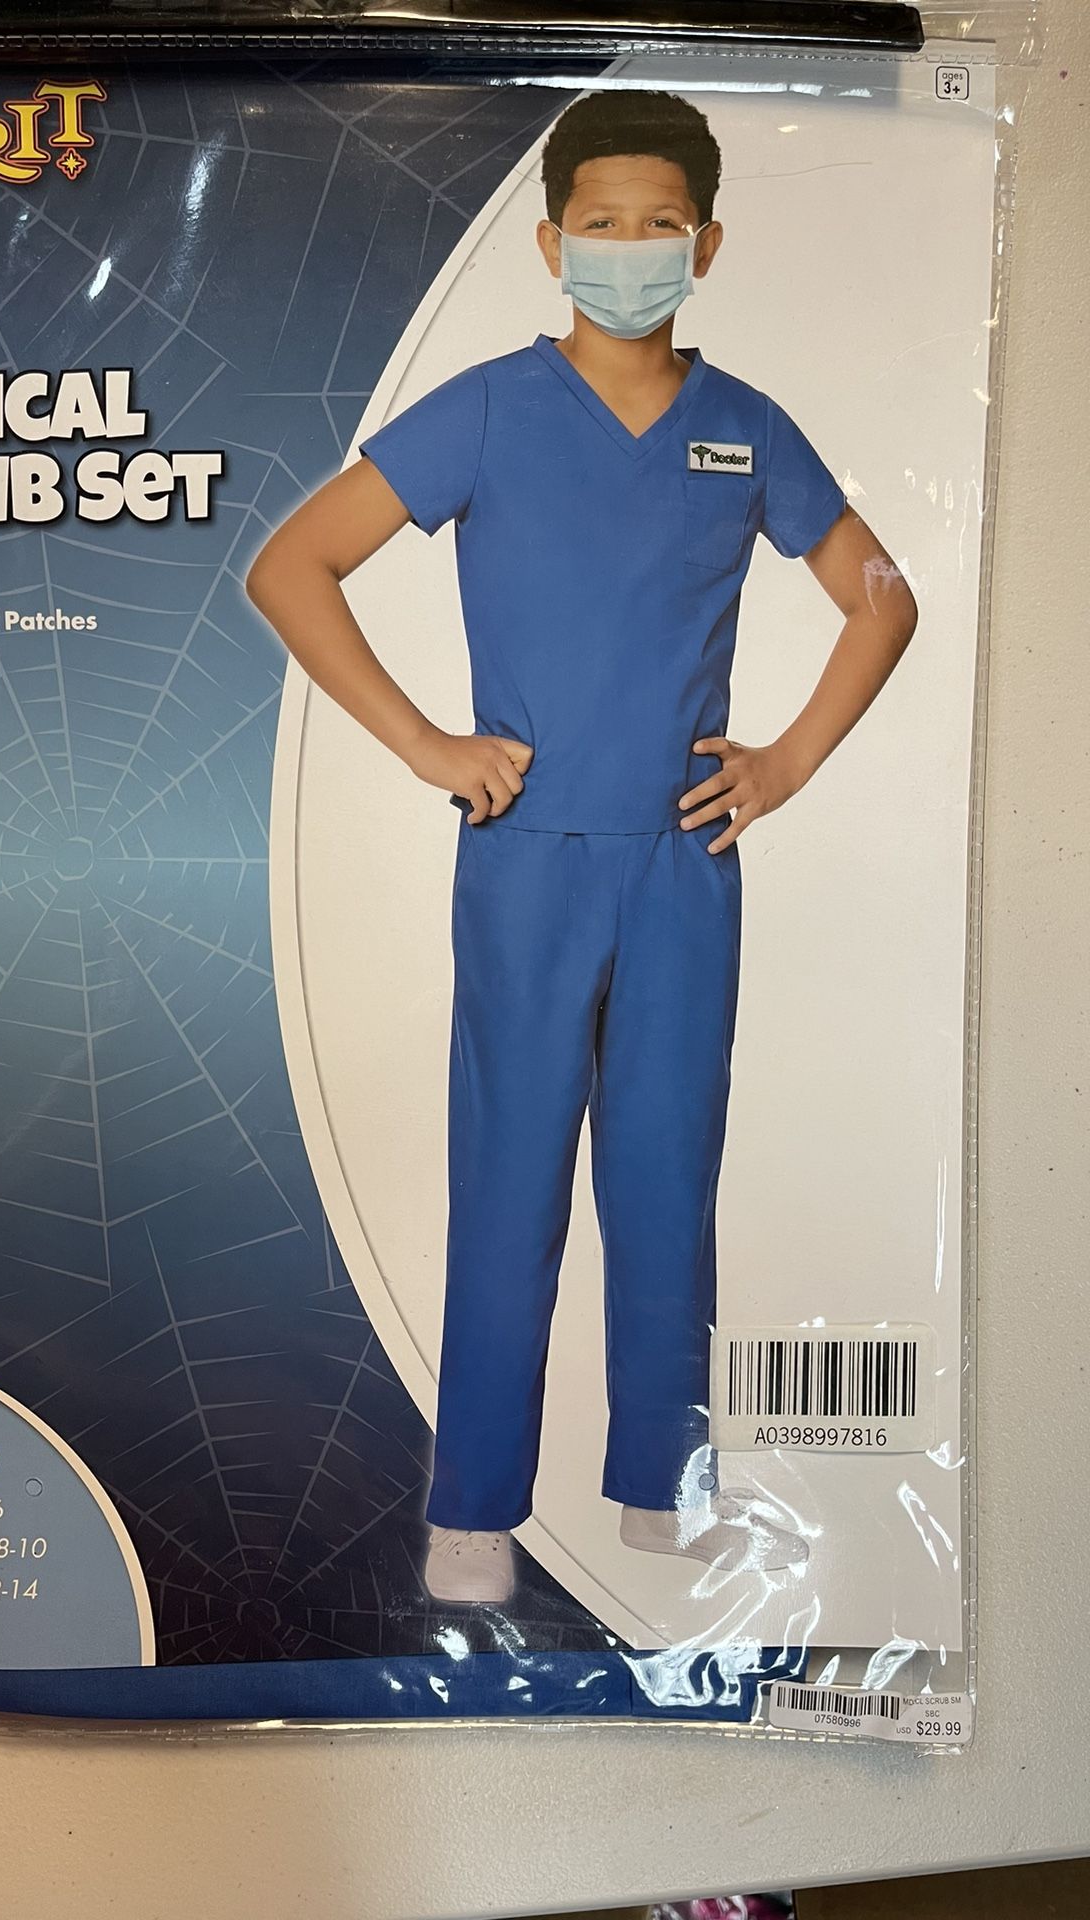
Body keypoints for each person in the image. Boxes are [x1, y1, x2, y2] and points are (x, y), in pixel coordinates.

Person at [247, 90, 918, 1605]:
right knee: (510, 1185)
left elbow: (883, 598)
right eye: (599, 224)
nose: (629, 247)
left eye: (659, 223)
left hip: (685, 863)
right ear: (551, 244)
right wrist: (428, 744)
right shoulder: (487, 410)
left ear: (706, 244)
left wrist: (788, 763)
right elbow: (293, 565)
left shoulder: (746, 428)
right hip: (529, 859)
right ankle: (474, 1506)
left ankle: (662, 1483)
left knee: (669, 1177)